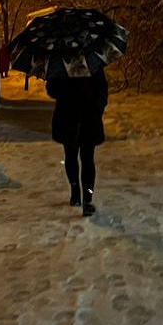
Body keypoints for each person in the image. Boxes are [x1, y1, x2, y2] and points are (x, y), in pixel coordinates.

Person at [46, 68, 109, 216]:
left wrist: (97, 108)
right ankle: (75, 190)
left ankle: (87, 198)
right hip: (68, 118)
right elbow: (52, 90)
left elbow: (102, 89)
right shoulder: (61, 65)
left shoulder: (92, 65)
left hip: (88, 117)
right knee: (72, 155)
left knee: (87, 158)